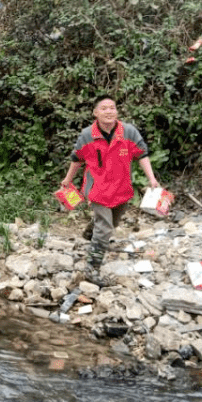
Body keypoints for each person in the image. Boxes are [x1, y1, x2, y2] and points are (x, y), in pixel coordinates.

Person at [60, 96, 159, 286]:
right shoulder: (87, 135)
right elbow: (77, 159)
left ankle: (91, 232)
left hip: (122, 188)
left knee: (111, 223)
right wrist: (67, 180)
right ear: (95, 113)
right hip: (97, 189)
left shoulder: (128, 132)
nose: (109, 111)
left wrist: (152, 179)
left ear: (117, 111)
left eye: (112, 108)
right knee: (105, 229)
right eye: (104, 108)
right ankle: (92, 267)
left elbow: (142, 154)